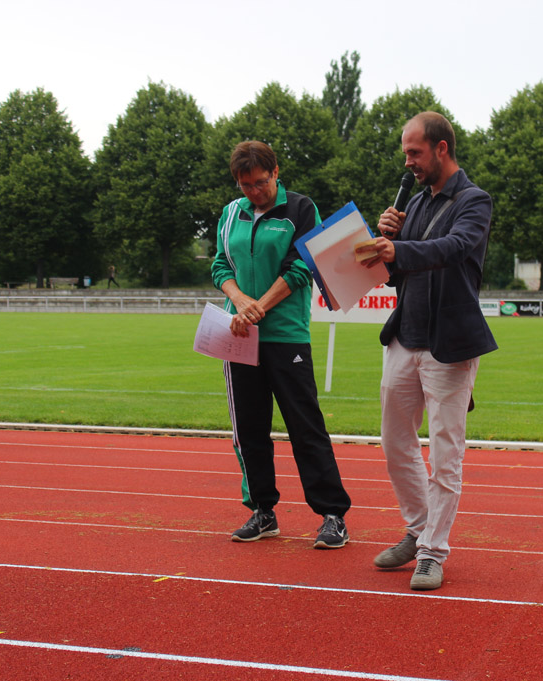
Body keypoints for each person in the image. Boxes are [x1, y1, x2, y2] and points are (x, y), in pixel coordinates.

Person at [357, 112, 497, 589]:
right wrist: (386, 245)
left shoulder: (475, 201)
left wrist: (402, 251)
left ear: (441, 148)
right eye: (405, 154)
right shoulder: (413, 204)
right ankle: (418, 531)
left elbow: (454, 248)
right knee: (395, 442)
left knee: (445, 450)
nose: (409, 162)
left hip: (449, 344)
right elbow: (399, 273)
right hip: (404, 336)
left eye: (415, 152)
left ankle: (433, 552)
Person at [211, 140, 352, 549]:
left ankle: (332, 515)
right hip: (237, 333)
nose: (253, 192)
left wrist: (260, 307)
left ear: (276, 172)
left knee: (305, 427)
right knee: (248, 430)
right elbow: (221, 264)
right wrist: (239, 301)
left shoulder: (301, 210)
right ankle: (262, 511)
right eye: (244, 185)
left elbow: (300, 268)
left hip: (285, 334)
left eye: (259, 182)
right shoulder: (229, 214)